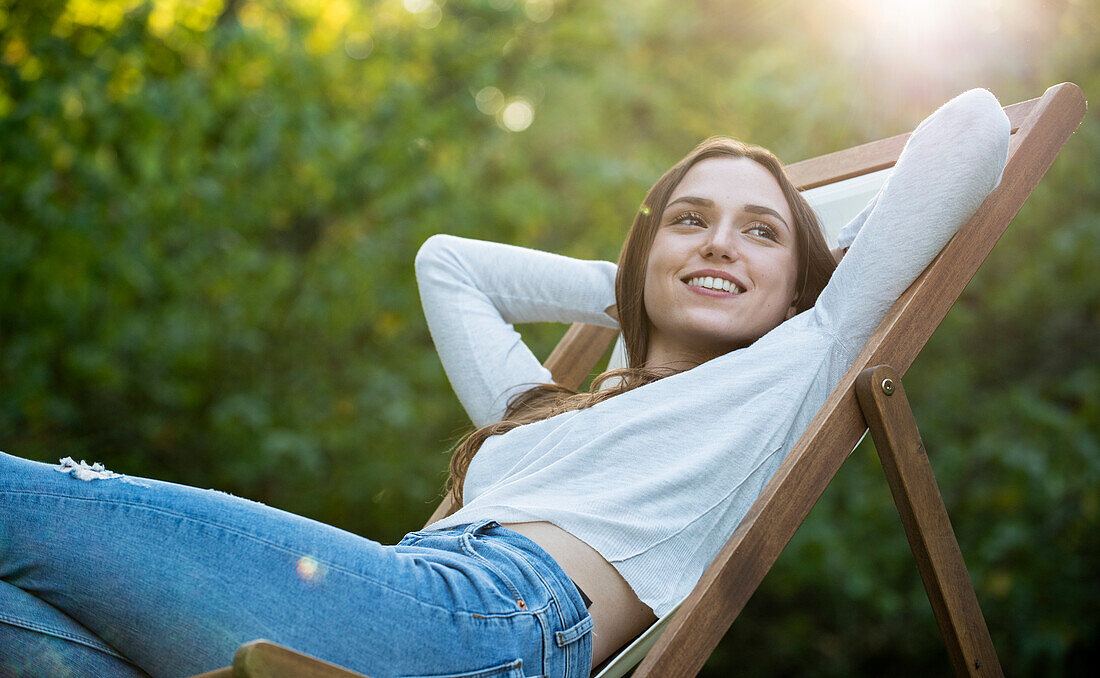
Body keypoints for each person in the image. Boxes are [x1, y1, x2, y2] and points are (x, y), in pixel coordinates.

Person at [0, 89, 1011, 678]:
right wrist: (643, 294)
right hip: (405, 601)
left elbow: (973, 126)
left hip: (480, 624)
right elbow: (448, 261)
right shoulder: (539, 412)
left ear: (803, 275)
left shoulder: (803, 356)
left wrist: (768, 290)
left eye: (760, 230)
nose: (719, 241)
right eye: (688, 219)